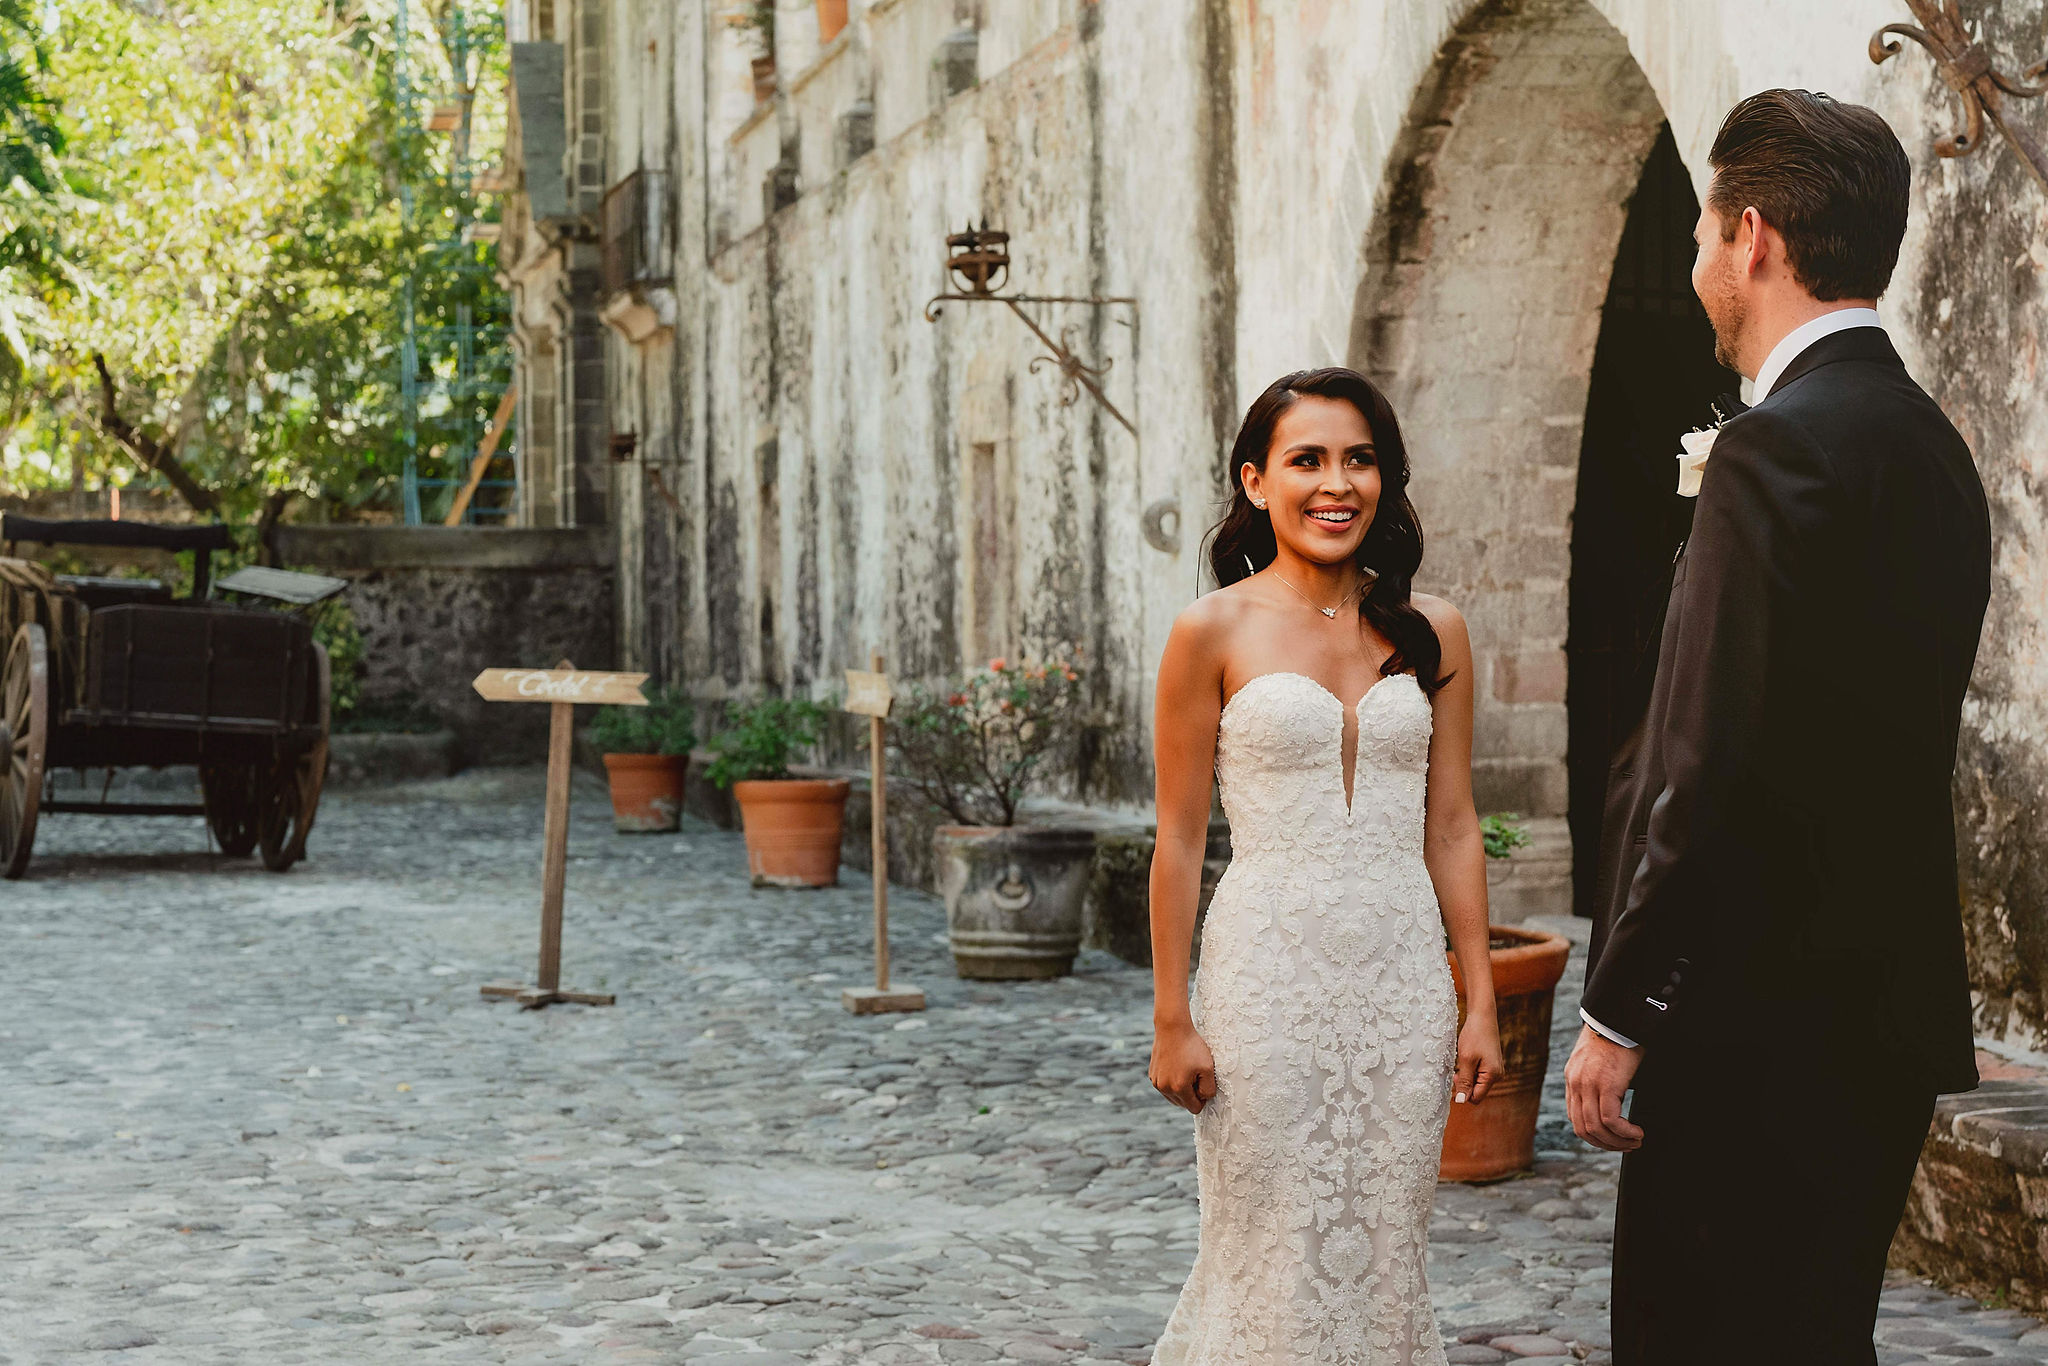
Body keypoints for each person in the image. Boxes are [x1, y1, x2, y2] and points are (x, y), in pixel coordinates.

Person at [1565, 90, 1992, 1365]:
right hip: (1879, 1018)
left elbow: (1706, 763)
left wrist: (1622, 1007)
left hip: (1747, 1022)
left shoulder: (1766, 453)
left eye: (1699, 231)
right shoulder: (1929, 449)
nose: (1694, 262)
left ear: (1747, 236)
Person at [1146, 367, 1503, 1365]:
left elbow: (1450, 821)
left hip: (1396, 987)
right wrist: (1173, 1015)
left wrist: (1478, 998)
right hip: (1263, 982)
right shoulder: (1207, 630)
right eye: (1306, 459)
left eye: (1359, 459)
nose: (1334, 482)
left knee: (1382, 1250)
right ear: (1256, 481)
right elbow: (1176, 837)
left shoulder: (1434, 630)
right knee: (1261, 1241)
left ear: (1384, 480)